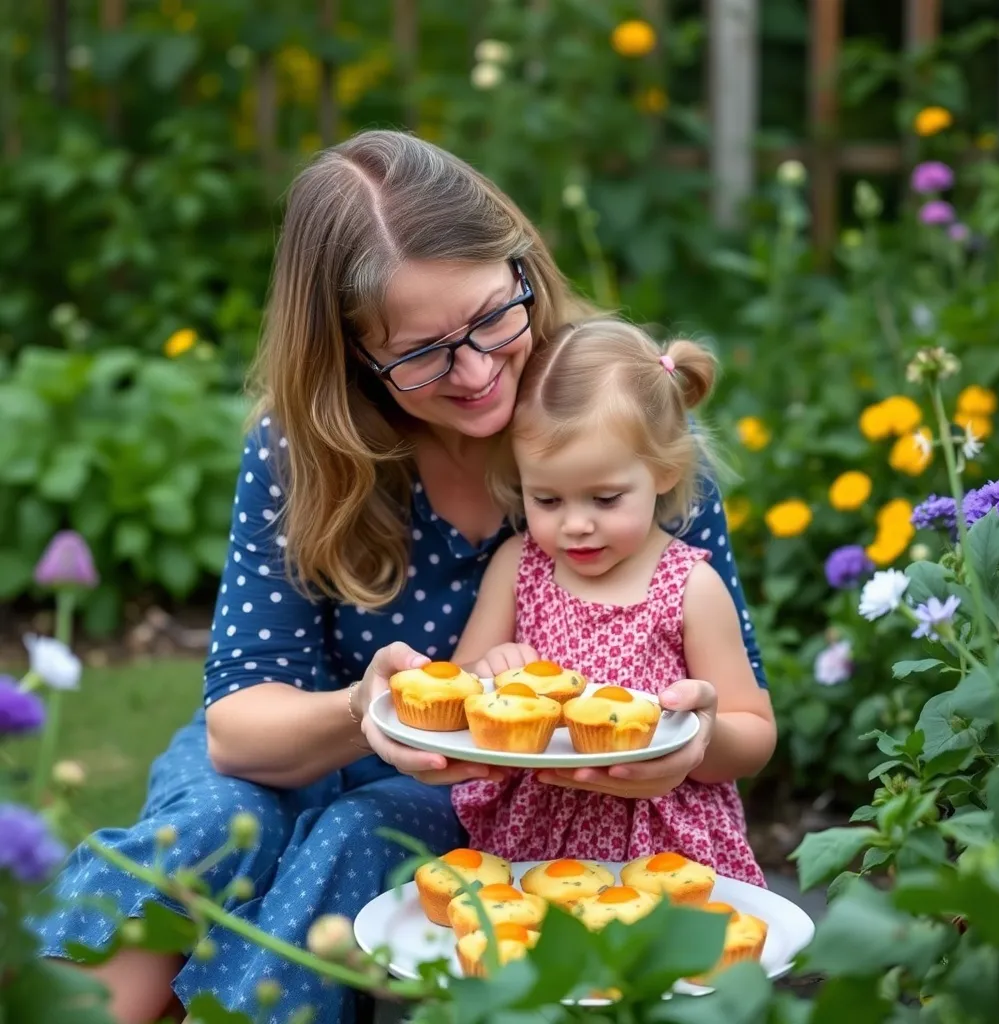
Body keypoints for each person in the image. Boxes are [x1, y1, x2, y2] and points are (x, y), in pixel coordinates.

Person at [35, 130, 769, 1024]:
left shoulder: (616, 423)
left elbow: (735, 706)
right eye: (423, 353)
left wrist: (681, 743)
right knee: (204, 829)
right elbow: (236, 728)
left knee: (348, 839)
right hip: (301, 740)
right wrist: (361, 708)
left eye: (496, 316)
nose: (477, 370)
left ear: (521, 267)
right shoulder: (304, 452)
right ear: (349, 353)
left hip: (471, 793)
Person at [449, 319, 775, 880]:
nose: (576, 525)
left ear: (664, 472)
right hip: (536, 835)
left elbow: (755, 733)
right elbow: (456, 690)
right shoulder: (519, 567)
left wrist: (702, 734)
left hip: (660, 839)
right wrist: (488, 672)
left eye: (605, 498)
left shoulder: (688, 586)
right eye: (546, 498)